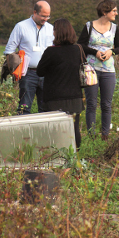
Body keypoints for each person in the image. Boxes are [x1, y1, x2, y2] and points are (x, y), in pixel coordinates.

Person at [37, 18, 85, 149]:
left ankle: (55, 158)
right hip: (75, 97)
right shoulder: (77, 50)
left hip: (54, 99)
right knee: (74, 131)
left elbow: (40, 72)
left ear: (57, 33)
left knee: (54, 132)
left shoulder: (51, 52)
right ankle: (75, 159)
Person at [78, 0, 119, 138]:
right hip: (91, 70)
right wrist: (94, 52)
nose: (116, 13)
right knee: (91, 103)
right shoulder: (89, 26)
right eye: (113, 11)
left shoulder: (115, 28)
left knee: (106, 104)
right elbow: (80, 45)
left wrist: (111, 52)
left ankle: (105, 135)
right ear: (105, 12)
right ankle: (91, 136)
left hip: (109, 71)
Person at [4, 1, 54, 114]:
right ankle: (22, 131)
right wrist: (14, 68)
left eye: (48, 16)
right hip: (28, 74)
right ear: (35, 12)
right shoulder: (21, 27)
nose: (45, 19)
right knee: (24, 108)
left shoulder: (51, 29)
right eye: (43, 16)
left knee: (46, 108)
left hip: (47, 74)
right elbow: (9, 50)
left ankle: (43, 131)